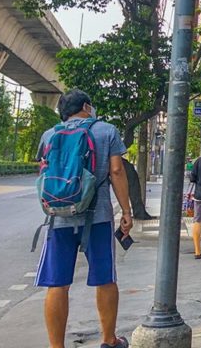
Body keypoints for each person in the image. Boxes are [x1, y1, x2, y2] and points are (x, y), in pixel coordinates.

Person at [34, 89, 131, 348]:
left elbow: (44, 174)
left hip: (58, 217)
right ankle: (109, 340)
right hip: (97, 217)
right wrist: (126, 211)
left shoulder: (49, 134)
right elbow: (116, 171)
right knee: (105, 279)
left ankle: (57, 346)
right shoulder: (107, 131)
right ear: (87, 107)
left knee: (57, 284)